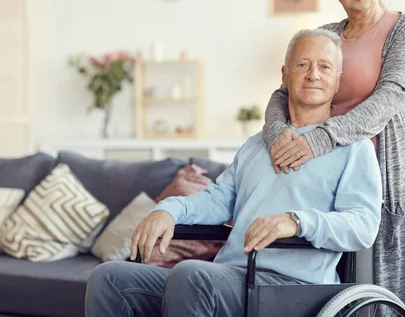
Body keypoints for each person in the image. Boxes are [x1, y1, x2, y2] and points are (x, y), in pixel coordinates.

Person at [84, 28, 383, 317]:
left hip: (294, 287)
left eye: (325, 66)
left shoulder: (353, 150)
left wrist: (296, 221)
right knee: (110, 278)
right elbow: (218, 199)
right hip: (232, 277)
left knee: (192, 275)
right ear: (284, 74)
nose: (313, 74)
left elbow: (363, 225)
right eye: (302, 64)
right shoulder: (257, 145)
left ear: (338, 80)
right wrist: (169, 210)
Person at [262, 0, 405, 317]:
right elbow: (281, 91)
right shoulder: (325, 35)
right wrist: (276, 135)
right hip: (324, 171)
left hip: (382, 174)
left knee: (381, 284)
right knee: (322, 276)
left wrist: (320, 138)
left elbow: (389, 99)